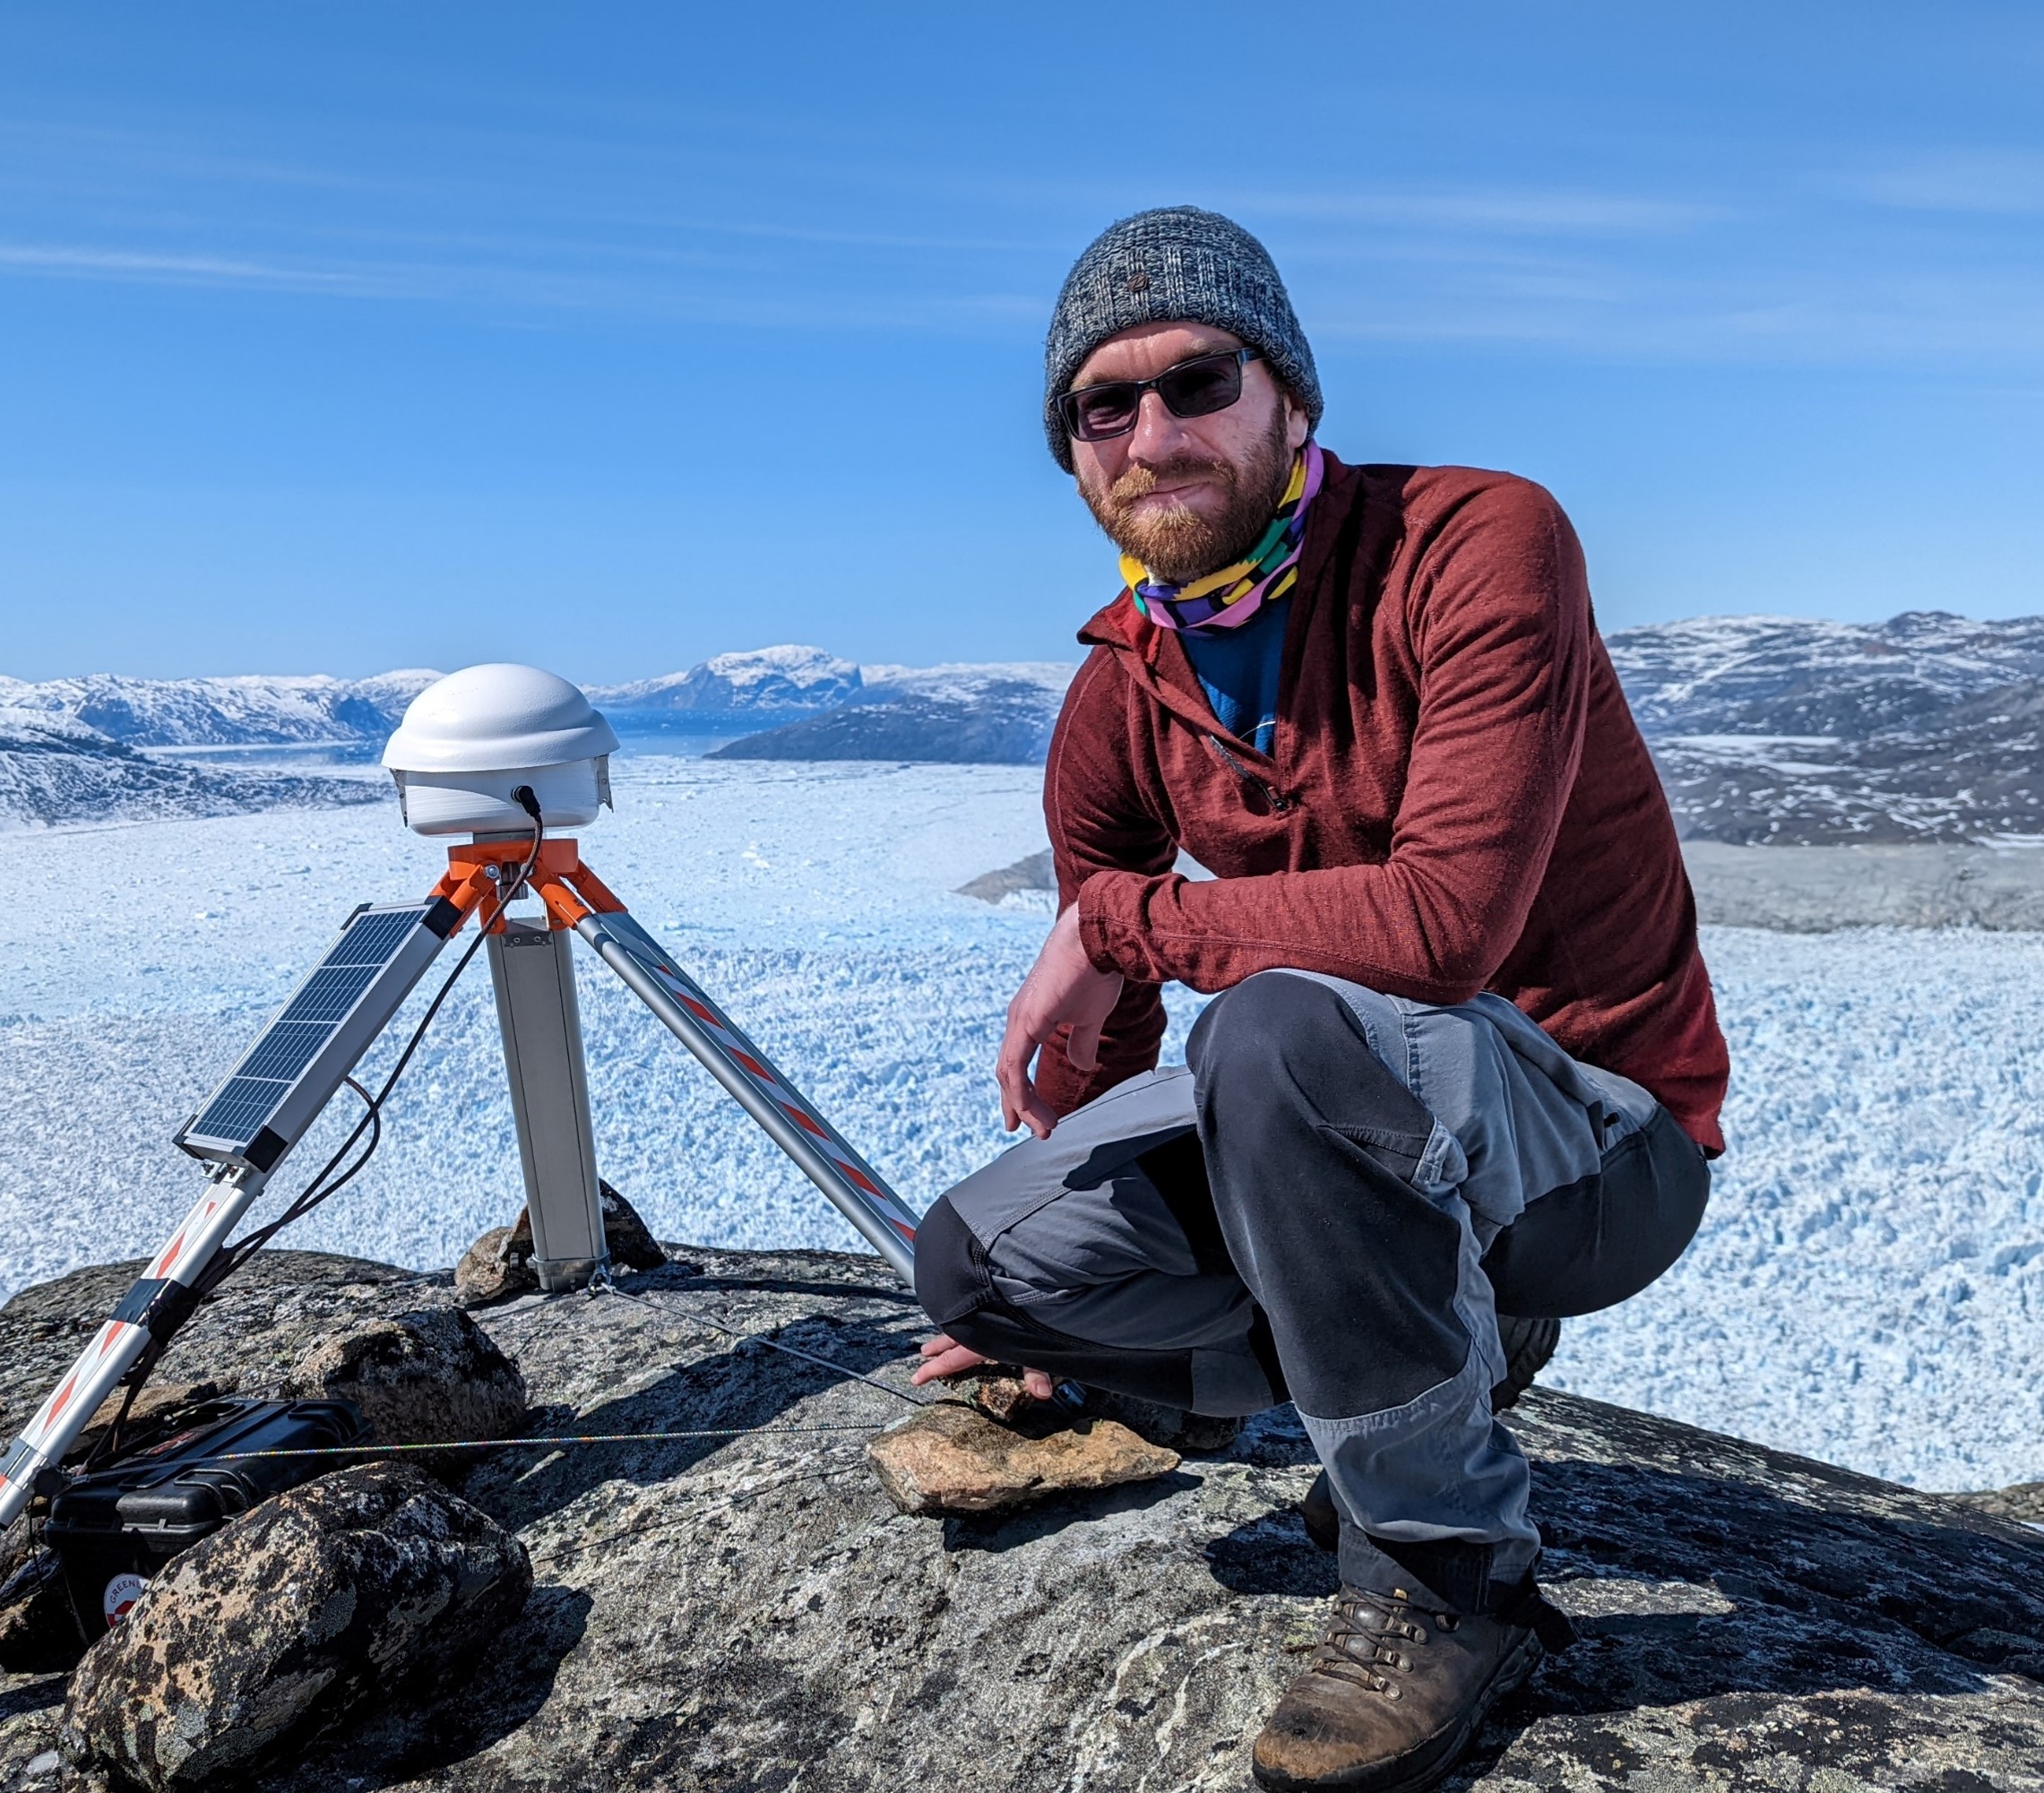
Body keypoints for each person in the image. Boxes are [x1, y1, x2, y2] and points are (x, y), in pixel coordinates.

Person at [909, 206, 1728, 1793]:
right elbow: (1107, 1034)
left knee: (1279, 1027)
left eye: (1197, 380)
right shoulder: (1123, 687)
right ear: (1072, 457)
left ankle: (1442, 1566)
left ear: (1289, 397)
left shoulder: (1474, 541)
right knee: (983, 1261)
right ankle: (1410, 1336)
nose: (1153, 433)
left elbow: (1440, 928)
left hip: (1593, 1146)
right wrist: (1071, 1325)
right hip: (1353, 1109)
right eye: (1102, 405)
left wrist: (1120, 919)